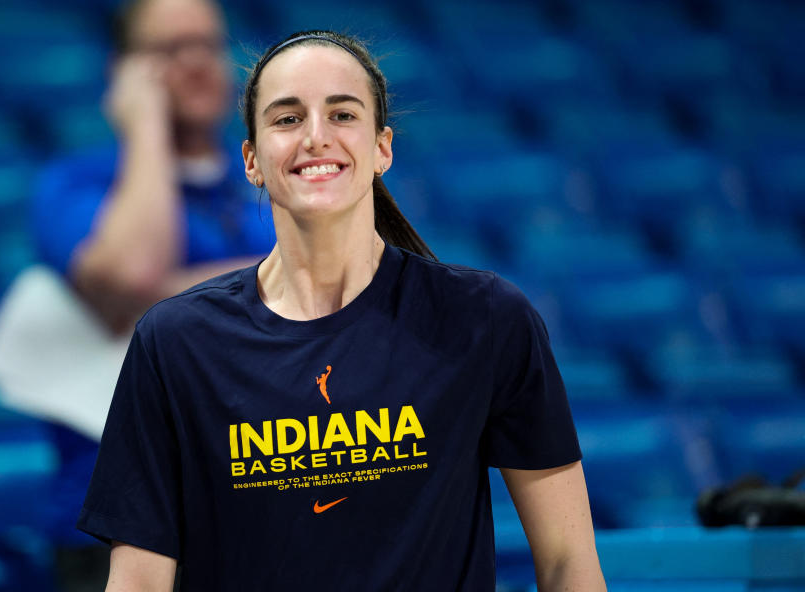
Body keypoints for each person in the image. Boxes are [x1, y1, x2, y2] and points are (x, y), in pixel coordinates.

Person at [77, 30, 606, 591]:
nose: (315, 137)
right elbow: (137, 584)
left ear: (383, 148)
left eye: (342, 114)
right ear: (252, 160)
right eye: (286, 119)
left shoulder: (486, 319)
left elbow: (568, 565)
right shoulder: (175, 343)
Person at [32, 0, 274, 336]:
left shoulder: (273, 169)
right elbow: (135, 277)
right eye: (170, 49)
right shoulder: (75, 182)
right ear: (124, 70)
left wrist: (168, 295)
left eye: (208, 44)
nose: (195, 61)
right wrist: (145, 123)